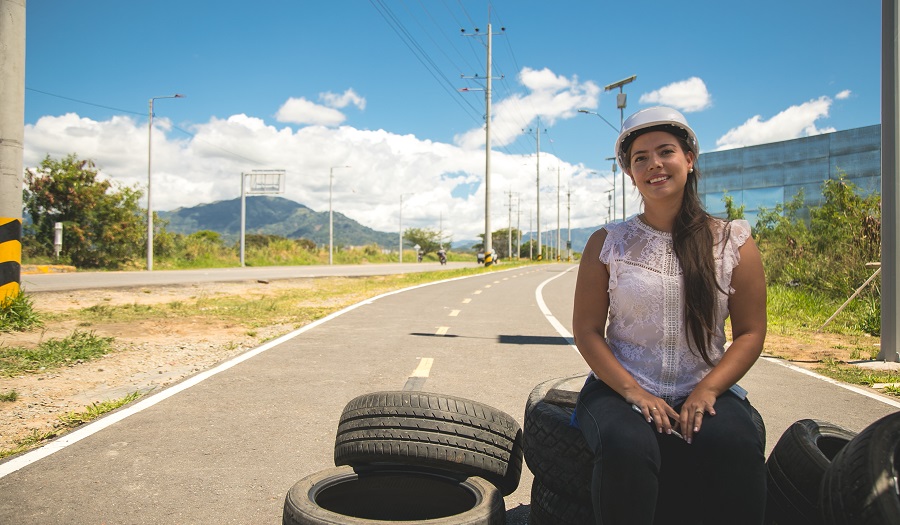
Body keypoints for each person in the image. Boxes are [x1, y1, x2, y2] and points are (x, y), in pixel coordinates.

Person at [572, 106, 767, 524]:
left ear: (690, 159)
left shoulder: (731, 242)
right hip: (618, 389)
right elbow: (587, 331)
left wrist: (709, 390)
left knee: (736, 442)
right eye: (640, 158)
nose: (654, 165)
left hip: (704, 386)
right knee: (627, 445)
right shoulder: (609, 243)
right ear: (630, 173)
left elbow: (751, 332)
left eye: (666, 152)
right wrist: (633, 392)